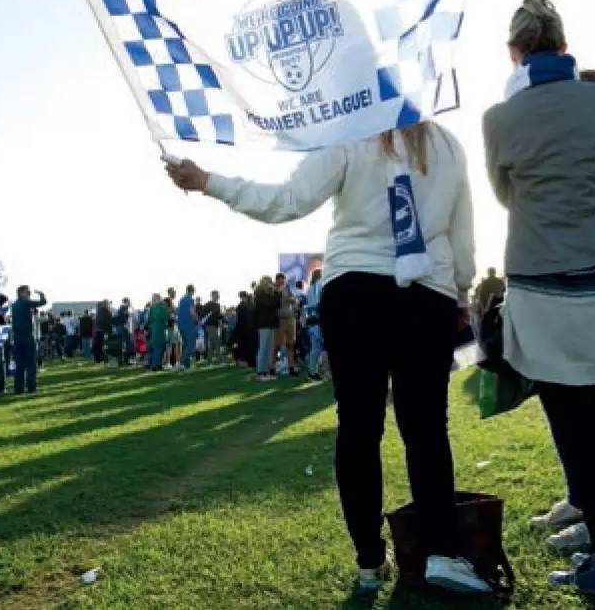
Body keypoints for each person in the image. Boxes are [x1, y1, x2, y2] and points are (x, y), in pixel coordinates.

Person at [165, 116, 489, 593]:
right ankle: (440, 551)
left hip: (355, 288)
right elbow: (463, 234)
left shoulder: (349, 131)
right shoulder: (447, 143)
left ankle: (368, 559)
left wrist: (209, 181)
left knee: (359, 427)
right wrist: (460, 289)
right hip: (427, 292)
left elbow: (287, 201)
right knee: (425, 429)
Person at [483, 0, 595, 594]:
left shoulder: (498, 120)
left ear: (515, 55)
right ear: (564, 46)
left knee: (575, 426)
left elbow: (506, 197)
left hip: (545, 287)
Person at [11, 286, 47, 394]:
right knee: (31, 364)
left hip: (17, 338)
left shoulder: (14, 305)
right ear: (22, 293)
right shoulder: (25, 302)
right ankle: (31, 387)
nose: (29, 294)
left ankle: (18, 388)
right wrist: (42, 294)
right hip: (27, 336)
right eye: (28, 292)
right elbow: (42, 302)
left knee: (19, 365)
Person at [252, 277, 280, 381]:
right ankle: (260, 372)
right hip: (263, 324)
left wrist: (275, 293)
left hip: (271, 324)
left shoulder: (271, 294)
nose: (270, 283)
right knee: (263, 348)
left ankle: (267, 371)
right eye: (268, 281)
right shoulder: (259, 294)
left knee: (270, 349)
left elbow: (277, 305)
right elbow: (269, 304)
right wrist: (275, 293)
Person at [275, 273, 299, 376]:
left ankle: (291, 368)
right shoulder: (274, 290)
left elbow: (295, 301)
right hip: (279, 320)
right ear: (276, 280)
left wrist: (291, 300)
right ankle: (272, 368)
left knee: (290, 345)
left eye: (283, 280)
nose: (281, 282)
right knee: (276, 346)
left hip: (290, 319)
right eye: (279, 280)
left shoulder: (289, 289)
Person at [304, 269, 325, 381]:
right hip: (318, 319)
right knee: (317, 348)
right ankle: (313, 371)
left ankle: (313, 371)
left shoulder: (310, 288)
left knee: (315, 348)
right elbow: (318, 303)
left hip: (312, 320)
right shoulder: (318, 285)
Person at [177, 285, 198, 371]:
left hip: (181, 325)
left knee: (185, 345)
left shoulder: (181, 300)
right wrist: (197, 319)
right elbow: (192, 312)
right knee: (191, 345)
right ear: (192, 291)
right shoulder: (190, 300)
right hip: (189, 325)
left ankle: (187, 366)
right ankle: (181, 363)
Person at [146, 293, 168, 370]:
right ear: (159, 299)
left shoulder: (151, 308)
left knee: (153, 347)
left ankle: (156, 364)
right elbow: (166, 318)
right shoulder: (162, 308)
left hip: (153, 328)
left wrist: (147, 328)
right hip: (160, 329)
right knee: (159, 347)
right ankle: (155, 365)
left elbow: (148, 320)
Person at [204, 290, 223, 363]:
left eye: (218, 295)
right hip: (210, 326)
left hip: (215, 326)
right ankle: (219, 359)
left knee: (212, 344)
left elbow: (219, 316)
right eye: (217, 295)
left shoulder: (218, 305)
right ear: (212, 295)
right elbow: (204, 316)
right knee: (217, 342)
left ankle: (209, 360)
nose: (218, 296)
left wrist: (221, 323)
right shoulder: (207, 305)